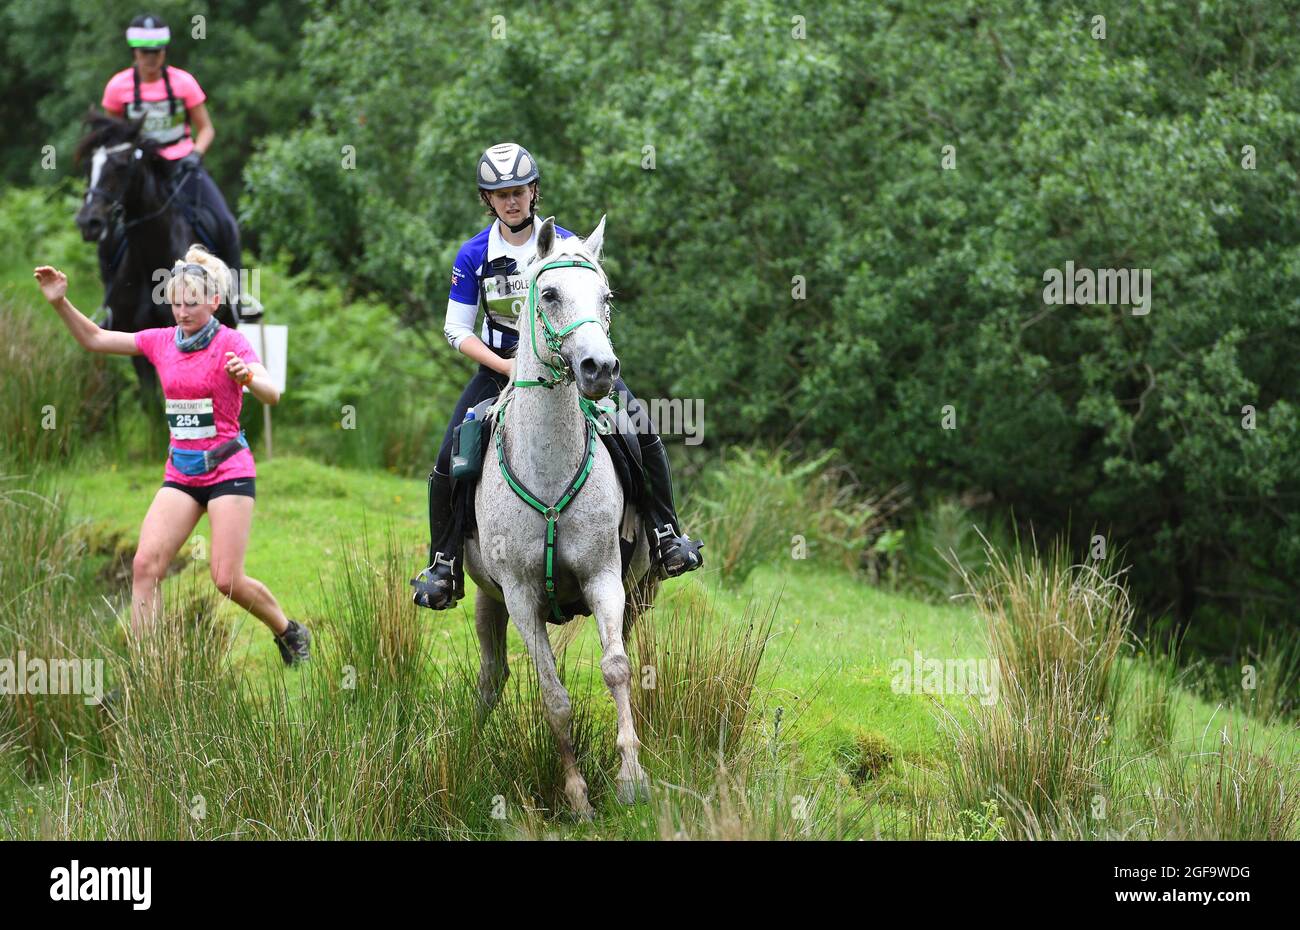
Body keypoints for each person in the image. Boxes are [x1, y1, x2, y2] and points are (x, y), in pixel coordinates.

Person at [410, 142, 704, 610]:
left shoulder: (566, 244)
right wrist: (506, 366)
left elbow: (591, 308)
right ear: (488, 199)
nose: (512, 200)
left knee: (640, 429)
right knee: (450, 456)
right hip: (501, 366)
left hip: (568, 366)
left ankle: (667, 533)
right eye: (500, 193)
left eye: (520, 190)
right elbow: (455, 329)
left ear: (534, 191)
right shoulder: (472, 255)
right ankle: (443, 562)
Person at [32, 246, 310, 665]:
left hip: (227, 471)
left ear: (214, 302)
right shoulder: (161, 342)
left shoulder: (230, 342)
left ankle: (289, 633)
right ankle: (147, 676)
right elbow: (94, 338)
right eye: (176, 303)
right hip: (181, 473)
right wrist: (60, 303)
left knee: (226, 580)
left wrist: (248, 375)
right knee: (145, 566)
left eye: (192, 304)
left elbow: (273, 393)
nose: (182, 312)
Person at [99, 13, 246, 314]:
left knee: (225, 223)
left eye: (157, 52)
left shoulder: (184, 83)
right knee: (108, 233)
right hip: (140, 173)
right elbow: (113, 136)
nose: (151, 59)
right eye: (145, 52)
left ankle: (237, 297)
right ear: (134, 53)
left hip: (182, 166)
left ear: (164, 52)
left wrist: (196, 154)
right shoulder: (117, 87)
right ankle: (110, 304)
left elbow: (206, 128)